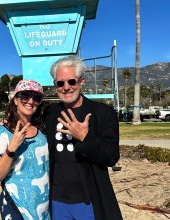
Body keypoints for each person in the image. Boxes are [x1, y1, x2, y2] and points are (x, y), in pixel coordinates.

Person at [43, 56, 123, 220]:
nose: (66, 88)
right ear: (55, 86)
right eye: (60, 83)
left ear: (81, 82)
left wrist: (85, 137)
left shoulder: (103, 114)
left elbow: (111, 157)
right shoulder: (49, 113)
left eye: (71, 81)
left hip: (89, 200)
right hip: (56, 200)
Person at [0, 80, 50, 220]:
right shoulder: (3, 133)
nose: (30, 101)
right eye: (25, 95)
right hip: (17, 206)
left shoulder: (43, 131)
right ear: (15, 100)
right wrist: (12, 147)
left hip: (44, 206)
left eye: (36, 97)